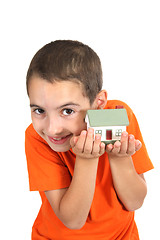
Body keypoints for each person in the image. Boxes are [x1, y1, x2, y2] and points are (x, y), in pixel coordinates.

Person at [25, 40, 153, 239]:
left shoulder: (120, 115)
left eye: (67, 111)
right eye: (39, 110)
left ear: (99, 103)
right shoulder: (38, 138)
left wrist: (120, 158)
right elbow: (73, 220)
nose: (53, 129)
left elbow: (135, 202)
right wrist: (87, 159)